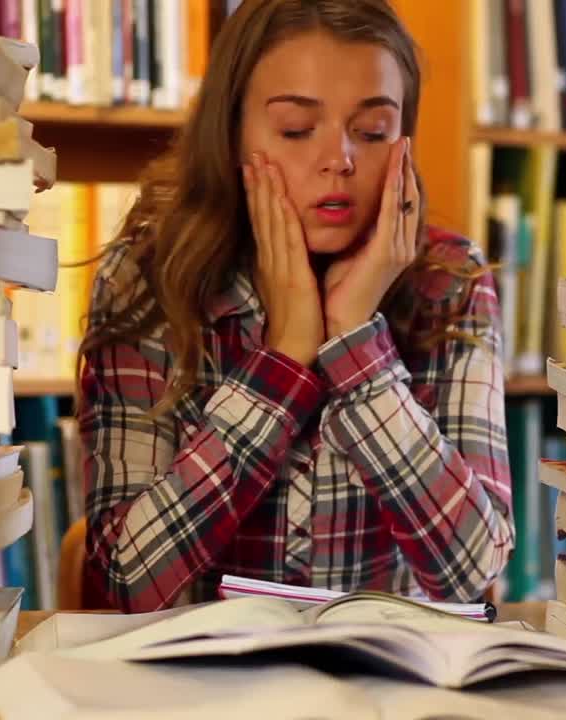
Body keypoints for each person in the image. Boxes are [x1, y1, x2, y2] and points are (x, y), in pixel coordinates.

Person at [77, 0, 512, 613]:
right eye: (296, 130)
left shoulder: (451, 281)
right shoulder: (147, 278)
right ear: (231, 137)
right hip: (202, 689)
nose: (340, 159)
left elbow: (471, 569)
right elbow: (121, 584)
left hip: (389, 688)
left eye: (372, 132)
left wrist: (356, 340)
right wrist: (283, 359)